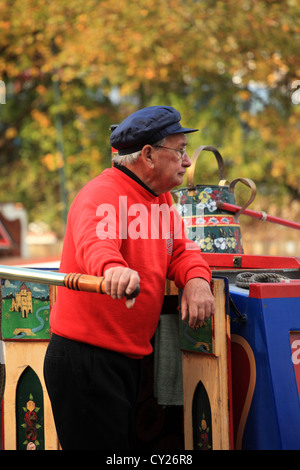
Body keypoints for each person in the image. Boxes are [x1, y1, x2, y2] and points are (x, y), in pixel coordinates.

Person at [43, 105, 215, 450]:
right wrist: (113, 270)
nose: (187, 161)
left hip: (125, 356)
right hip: (88, 358)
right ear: (148, 155)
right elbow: (97, 245)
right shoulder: (103, 193)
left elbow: (182, 250)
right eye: (180, 151)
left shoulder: (160, 199)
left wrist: (196, 280)